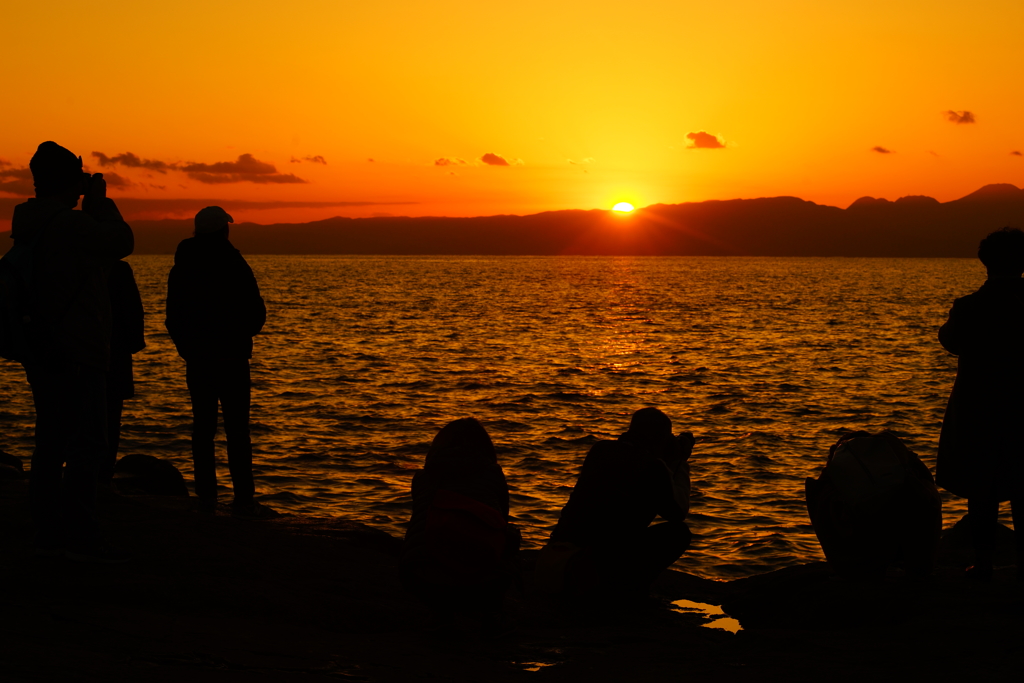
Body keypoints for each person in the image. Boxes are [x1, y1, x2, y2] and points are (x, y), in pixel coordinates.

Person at [10, 141, 134, 561]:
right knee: (86, 444)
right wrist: (101, 204)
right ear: (68, 181)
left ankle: (47, 526)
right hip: (77, 348)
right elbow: (121, 241)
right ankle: (80, 528)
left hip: (42, 346)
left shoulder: (30, 222)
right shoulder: (69, 225)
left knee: (50, 440)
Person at [165, 206, 276, 519]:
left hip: (198, 359)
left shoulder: (183, 266)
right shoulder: (233, 263)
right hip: (232, 357)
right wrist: (241, 334)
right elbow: (256, 311)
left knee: (203, 429)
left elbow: (173, 316)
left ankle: (206, 497)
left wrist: (187, 348)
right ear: (222, 230)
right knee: (237, 431)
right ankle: (243, 498)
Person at [937, 227, 1024, 581]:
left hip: (979, 407)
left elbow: (950, 340)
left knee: (982, 486)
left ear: (985, 263)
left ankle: (984, 562)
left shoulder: (969, 307)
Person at [539, 407, 693, 601]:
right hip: (597, 564)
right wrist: (680, 463)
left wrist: (664, 461)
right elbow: (677, 513)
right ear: (659, 439)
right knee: (678, 533)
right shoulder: (653, 467)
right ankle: (627, 592)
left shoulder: (600, 450)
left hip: (559, 556)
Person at [401, 418, 521, 624]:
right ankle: (490, 613)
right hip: (484, 582)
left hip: (421, 578)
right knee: (509, 535)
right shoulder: (493, 474)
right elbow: (501, 520)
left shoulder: (422, 477)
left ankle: (440, 613)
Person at [805, 431, 941, 578]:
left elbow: (820, 490)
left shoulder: (836, 478)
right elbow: (926, 484)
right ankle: (917, 566)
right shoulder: (900, 460)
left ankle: (854, 564)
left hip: (858, 549)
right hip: (906, 533)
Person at [104, 258, 146, 482]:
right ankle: (104, 471)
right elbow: (133, 310)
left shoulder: (67, 263)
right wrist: (134, 342)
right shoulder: (117, 269)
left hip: (75, 354)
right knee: (111, 417)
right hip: (114, 353)